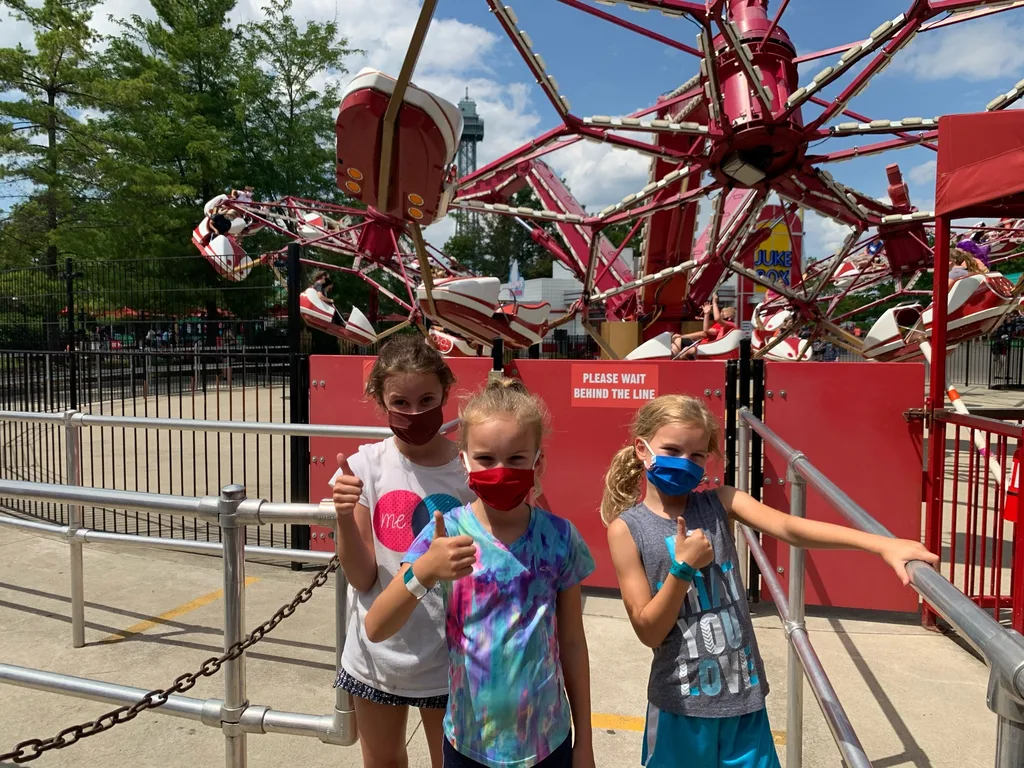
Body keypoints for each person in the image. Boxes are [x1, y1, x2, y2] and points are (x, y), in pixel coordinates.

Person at [600, 395, 939, 768]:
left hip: (744, 701)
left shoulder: (721, 502)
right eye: (672, 450)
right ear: (642, 449)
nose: (684, 462)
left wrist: (882, 545)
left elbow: (790, 528)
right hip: (679, 708)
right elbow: (648, 631)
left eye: (696, 455)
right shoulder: (627, 530)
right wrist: (683, 569)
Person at [365, 378, 596, 768]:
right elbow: (376, 625)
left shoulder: (560, 538)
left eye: (516, 458)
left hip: (548, 742)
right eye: (486, 458)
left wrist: (584, 743)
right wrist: (424, 571)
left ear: (538, 462)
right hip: (468, 744)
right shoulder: (445, 535)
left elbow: (572, 642)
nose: (500, 471)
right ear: (465, 462)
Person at [330, 335, 475, 768]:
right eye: (401, 402)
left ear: (445, 392)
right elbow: (361, 577)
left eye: (426, 399)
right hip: (377, 657)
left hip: (452, 658)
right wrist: (343, 514)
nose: (415, 413)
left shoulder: (469, 470)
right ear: (381, 401)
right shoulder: (364, 467)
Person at [672, 295, 738, 360]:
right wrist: (706, 314)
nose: (720, 317)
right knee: (682, 345)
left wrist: (714, 302)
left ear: (729, 318)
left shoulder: (731, 325)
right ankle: (672, 358)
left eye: (723, 317)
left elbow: (717, 319)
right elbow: (706, 330)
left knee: (685, 346)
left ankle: (673, 361)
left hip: (710, 349)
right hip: (705, 346)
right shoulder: (721, 327)